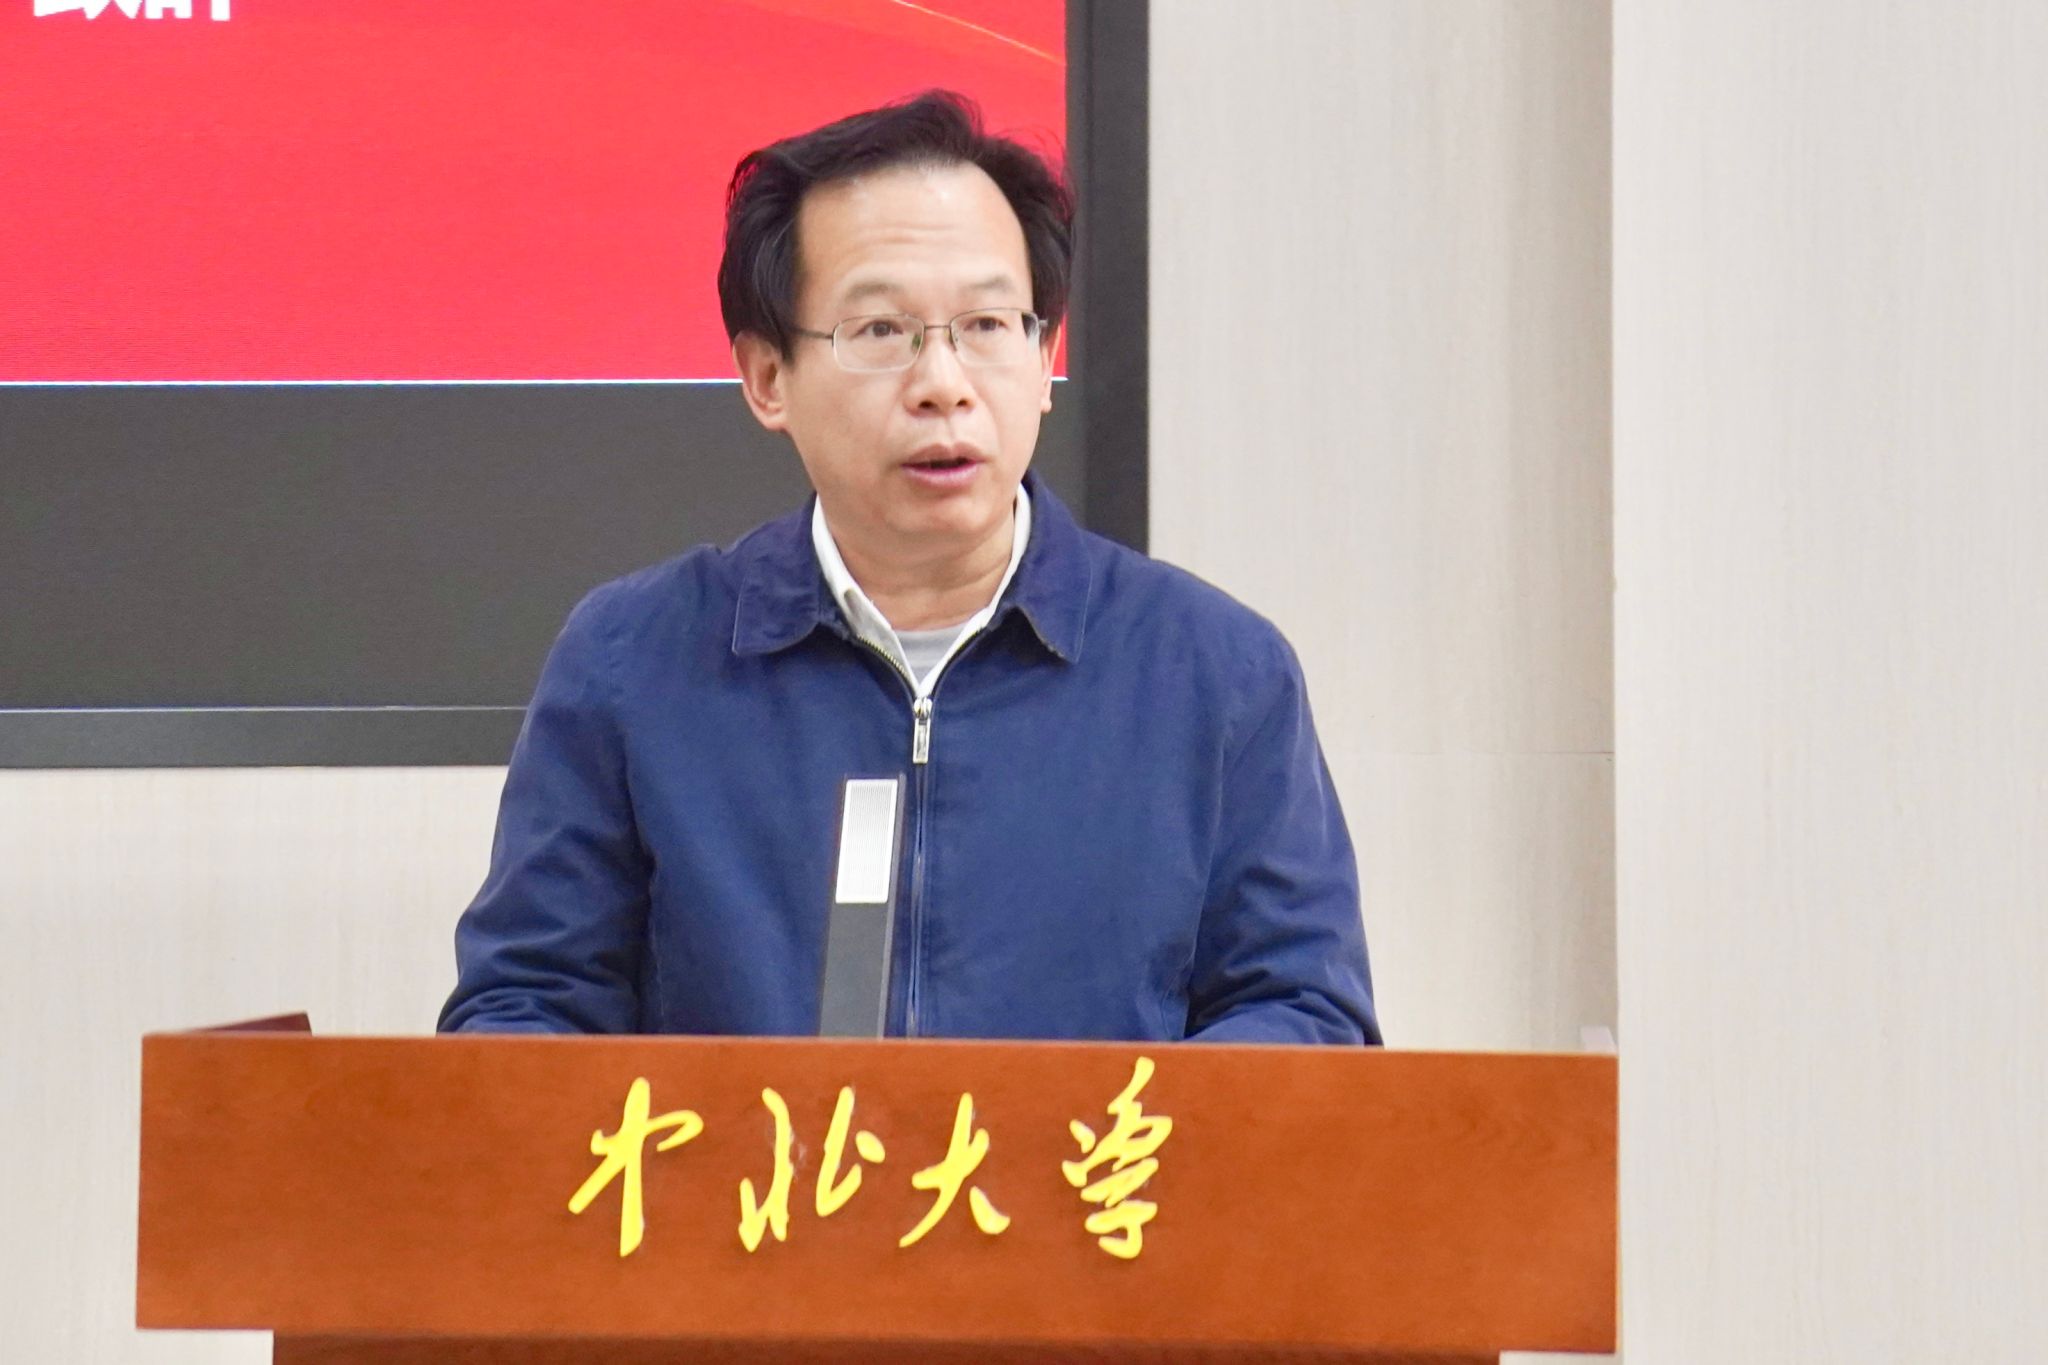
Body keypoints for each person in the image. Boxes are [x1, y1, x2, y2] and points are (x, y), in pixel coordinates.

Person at [439, 91, 1379, 1044]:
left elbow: (1304, 1016)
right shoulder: (633, 661)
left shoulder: (1216, 673)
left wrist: (1074, 1130)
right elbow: (524, 1009)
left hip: (1089, 1154)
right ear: (768, 377)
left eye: (988, 325)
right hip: (752, 1154)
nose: (943, 384)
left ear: (1044, 356)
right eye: (882, 331)